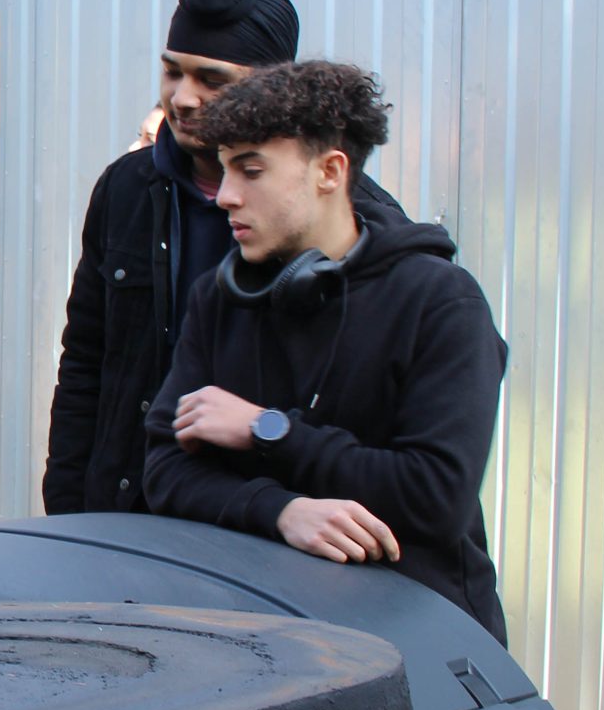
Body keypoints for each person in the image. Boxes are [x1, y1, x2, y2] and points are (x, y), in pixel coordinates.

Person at [140, 62, 508, 640]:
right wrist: (281, 511)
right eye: (225, 169)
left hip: (419, 637)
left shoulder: (440, 303)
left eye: (252, 170)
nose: (227, 196)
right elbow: (165, 470)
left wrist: (268, 431)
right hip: (265, 631)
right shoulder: (221, 296)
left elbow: (435, 497)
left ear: (330, 172)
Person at [42, 0, 409, 517]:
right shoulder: (125, 189)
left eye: (212, 80)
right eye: (173, 71)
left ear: (273, 90)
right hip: (125, 514)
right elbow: (87, 361)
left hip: (260, 532)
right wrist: (70, 509)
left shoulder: (357, 226)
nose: (183, 97)